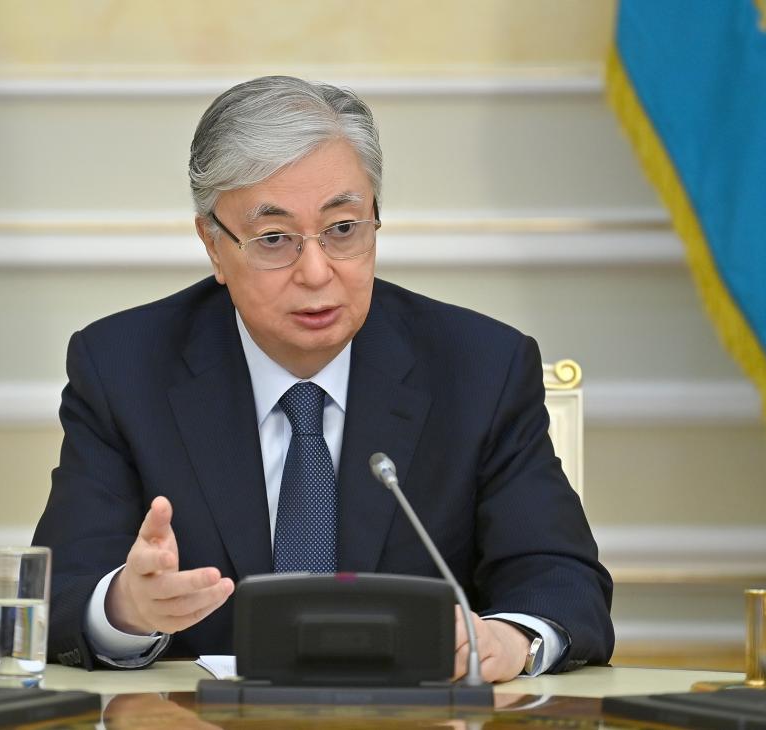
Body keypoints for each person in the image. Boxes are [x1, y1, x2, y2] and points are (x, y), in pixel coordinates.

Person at [32, 75, 613, 682]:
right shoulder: (124, 368)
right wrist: (126, 607)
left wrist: (510, 639)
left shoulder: (480, 368)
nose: (315, 272)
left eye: (342, 229)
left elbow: (562, 580)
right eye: (274, 238)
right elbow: (61, 592)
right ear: (213, 244)